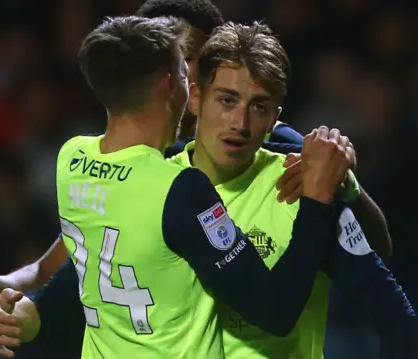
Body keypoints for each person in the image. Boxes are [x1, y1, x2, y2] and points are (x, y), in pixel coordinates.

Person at [0, 1, 393, 338]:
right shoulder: (137, 164)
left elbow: (374, 254)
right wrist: (8, 287)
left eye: (195, 59)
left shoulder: (278, 146)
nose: (183, 74)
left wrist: (346, 189)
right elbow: (84, 256)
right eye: (172, 59)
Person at [169, 22, 414, 359]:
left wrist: (346, 188)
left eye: (258, 107)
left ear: (274, 119)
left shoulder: (302, 187)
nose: (240, 124)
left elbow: (396, 317)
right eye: (227, 100)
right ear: (196, 99)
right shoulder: (157, 183)